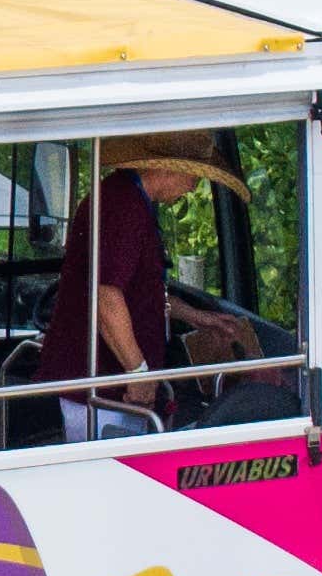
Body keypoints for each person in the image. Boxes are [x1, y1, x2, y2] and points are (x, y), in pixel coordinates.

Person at [46, 132, 215, 441]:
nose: (193, 187)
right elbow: (107, 295)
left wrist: (198, 317)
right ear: (168, 168)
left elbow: (140, 293)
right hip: (102, 384)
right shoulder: (122, 207)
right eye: (193, 176)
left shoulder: (128, 200)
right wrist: (137, 371)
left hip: (108, 381)